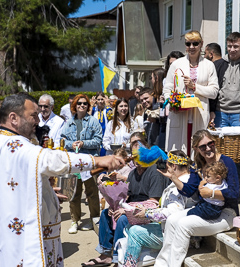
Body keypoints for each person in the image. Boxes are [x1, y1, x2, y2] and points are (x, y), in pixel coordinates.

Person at [0, 93, 124, 266]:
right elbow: (49, 159)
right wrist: (97, 160)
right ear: (14, 118)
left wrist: (40, 187)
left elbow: (11, 179)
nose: (37, 121)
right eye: (32, 115)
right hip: (18, 236)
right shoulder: (13, 144)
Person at [154, 129, 239, 267]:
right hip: (204, 210)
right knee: (171, 220)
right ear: (196, 149)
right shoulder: (198, 165)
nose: (208, 148)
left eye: (210, 143)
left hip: (227, 213)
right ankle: (161, 264)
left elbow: (234, 193)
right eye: (203, 146)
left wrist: (211, 194)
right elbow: (188, 191)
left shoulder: (226, 162)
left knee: (183, 225)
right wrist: (174, 178)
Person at [83, 132, 168, 266]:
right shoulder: (133, 173)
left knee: (123, 218)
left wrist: (126, 210)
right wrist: (114, 206)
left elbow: (154, 202)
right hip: (131, 205)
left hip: (147, 211)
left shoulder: (154, 171)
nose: (135, 157)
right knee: (106, 213)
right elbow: (127, 196)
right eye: (133, 154)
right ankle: (105, 254)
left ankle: (118, 258)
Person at [122, 150, 196, 267]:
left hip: (176, 235)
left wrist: (147, 213)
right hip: (183, 231)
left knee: (135, 232)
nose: (164, 167)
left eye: (166, 165)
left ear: (174, 166)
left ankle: (129, 265)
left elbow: (174, 212)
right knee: (130, 226)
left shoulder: (178, 185)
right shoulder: (190, 180)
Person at [164, 30, 219, 154]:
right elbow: (167, 89)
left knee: (198, 151)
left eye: (195, 43)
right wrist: (171, 103)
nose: (192, 47)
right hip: (180, 114)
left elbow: (214, 91)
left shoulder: (209, 65)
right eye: (188, 44)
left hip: (199, 114)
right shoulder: (176, 64)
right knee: (178, 152)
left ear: (201, 44)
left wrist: (195, 87)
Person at [61, 94, 103, 234]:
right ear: (75, 105)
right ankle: (75, 220)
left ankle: (94, 218)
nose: (82, 106)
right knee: (73, 193)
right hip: (74, 161)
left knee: (92, 192)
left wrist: (84, 143)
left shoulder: (93, 121)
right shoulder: (68, 123)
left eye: (85, 103)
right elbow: (62, 140)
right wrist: (70, 144)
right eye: (79, 103)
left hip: (89, 161)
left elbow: (98, 141)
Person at [210, 32, 240, 128]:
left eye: (236, 46)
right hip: (220, 113)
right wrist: (211, 110)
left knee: (238, 143)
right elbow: (212, 88)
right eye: (229, 46)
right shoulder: (217, 65)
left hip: (239, 115)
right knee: (220, 143)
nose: (232, 50)